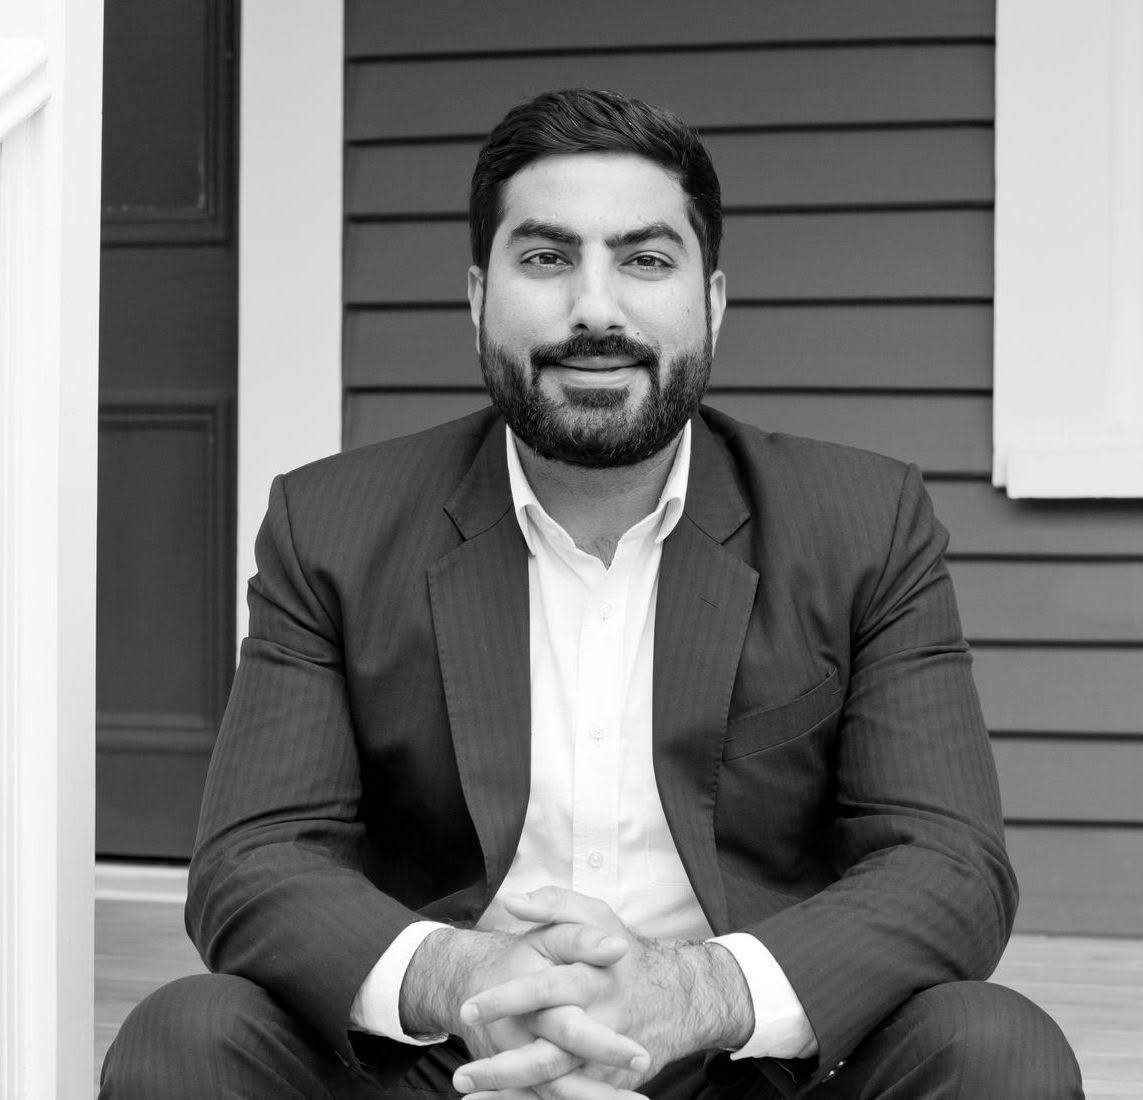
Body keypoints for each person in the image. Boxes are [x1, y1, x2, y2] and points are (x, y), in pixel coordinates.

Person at [101, 88, 1084, 1099]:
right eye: (547, 257)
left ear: (713, 301)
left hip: (737, 1062)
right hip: (452, 1060)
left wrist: (688, 994)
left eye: (646, 260)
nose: (596, 310)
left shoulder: (863, 522)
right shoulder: (331, 527)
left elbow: (949, 863)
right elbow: (253, 860)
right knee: (187, 1036)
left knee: (995, 1046)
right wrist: (466, 976)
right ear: (478, 296)